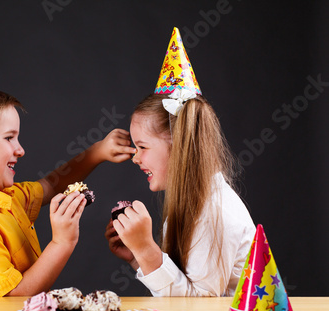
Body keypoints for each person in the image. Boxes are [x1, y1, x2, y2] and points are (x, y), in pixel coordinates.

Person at [0, 80, 134, 296]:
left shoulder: (4, 197)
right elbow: (13, 300)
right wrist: (62, 242)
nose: (20, 150)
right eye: (9, 138)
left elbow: (51, 185)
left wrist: (97, 152)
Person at [105, 27, 256, 297]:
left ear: (179, 148)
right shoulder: (191, 202)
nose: (135, 157)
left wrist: (147, 251)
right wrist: (137, 256)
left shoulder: (215, 214)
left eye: (142, 147)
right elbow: (184, 286)